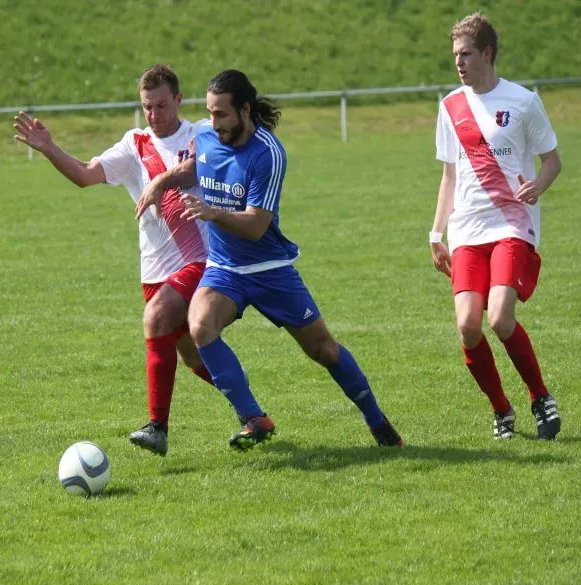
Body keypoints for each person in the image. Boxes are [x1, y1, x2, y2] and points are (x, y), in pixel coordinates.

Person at [137, 69, 402, 450]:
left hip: (269, 269)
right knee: (200, 325)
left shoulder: (268, 153)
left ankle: (377, 422)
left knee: (323, 350)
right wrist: (161, 182)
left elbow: (257, 225)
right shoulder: (207, 138)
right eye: (209, 113)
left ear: (245, 111)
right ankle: (253, 418)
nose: (212, 123)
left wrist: (214, 212)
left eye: (221, 115)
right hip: (225, 268)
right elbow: (195, 165)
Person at [13, 64, 215, 457]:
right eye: (146, 107)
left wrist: (162, 181)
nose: (153, 115)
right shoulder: (134, 144)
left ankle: (157, 427)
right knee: (191, 354)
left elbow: (204, 165)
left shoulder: (200, 136)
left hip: (200, 260)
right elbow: (86, 175)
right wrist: (49, 148)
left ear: (178, 100)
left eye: (160, 105)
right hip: (155, 269)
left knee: (156, 318)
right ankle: (253, 411)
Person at [430, 13, 562, 440]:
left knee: (500, 317)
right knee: (468, 326)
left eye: (466, 54)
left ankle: (540, 396)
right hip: (466, 229)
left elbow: (552, 161)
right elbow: (449, 176)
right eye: (455, 56)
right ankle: (501, 408)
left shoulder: (524, 102)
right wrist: (436, 234)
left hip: (510, 224)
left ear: (487, 52)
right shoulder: (450, 105)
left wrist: (537, 187)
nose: (459, 63)